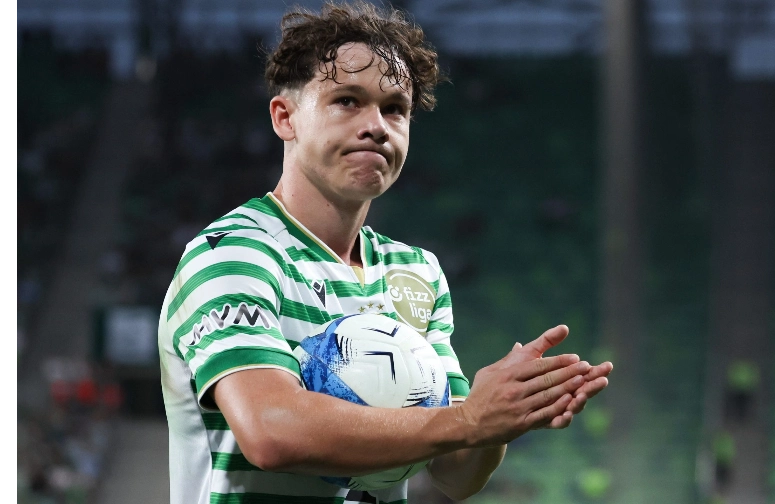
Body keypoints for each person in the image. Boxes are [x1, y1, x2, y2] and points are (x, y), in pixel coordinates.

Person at [157, 3, 613, 503]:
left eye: (395, 108)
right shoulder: (234, 255)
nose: (376, 125)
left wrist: (501, 418)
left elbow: (455, 475)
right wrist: (469, 418)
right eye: (347, 100)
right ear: (285, 118)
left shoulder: (415, 272)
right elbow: (271, 433)